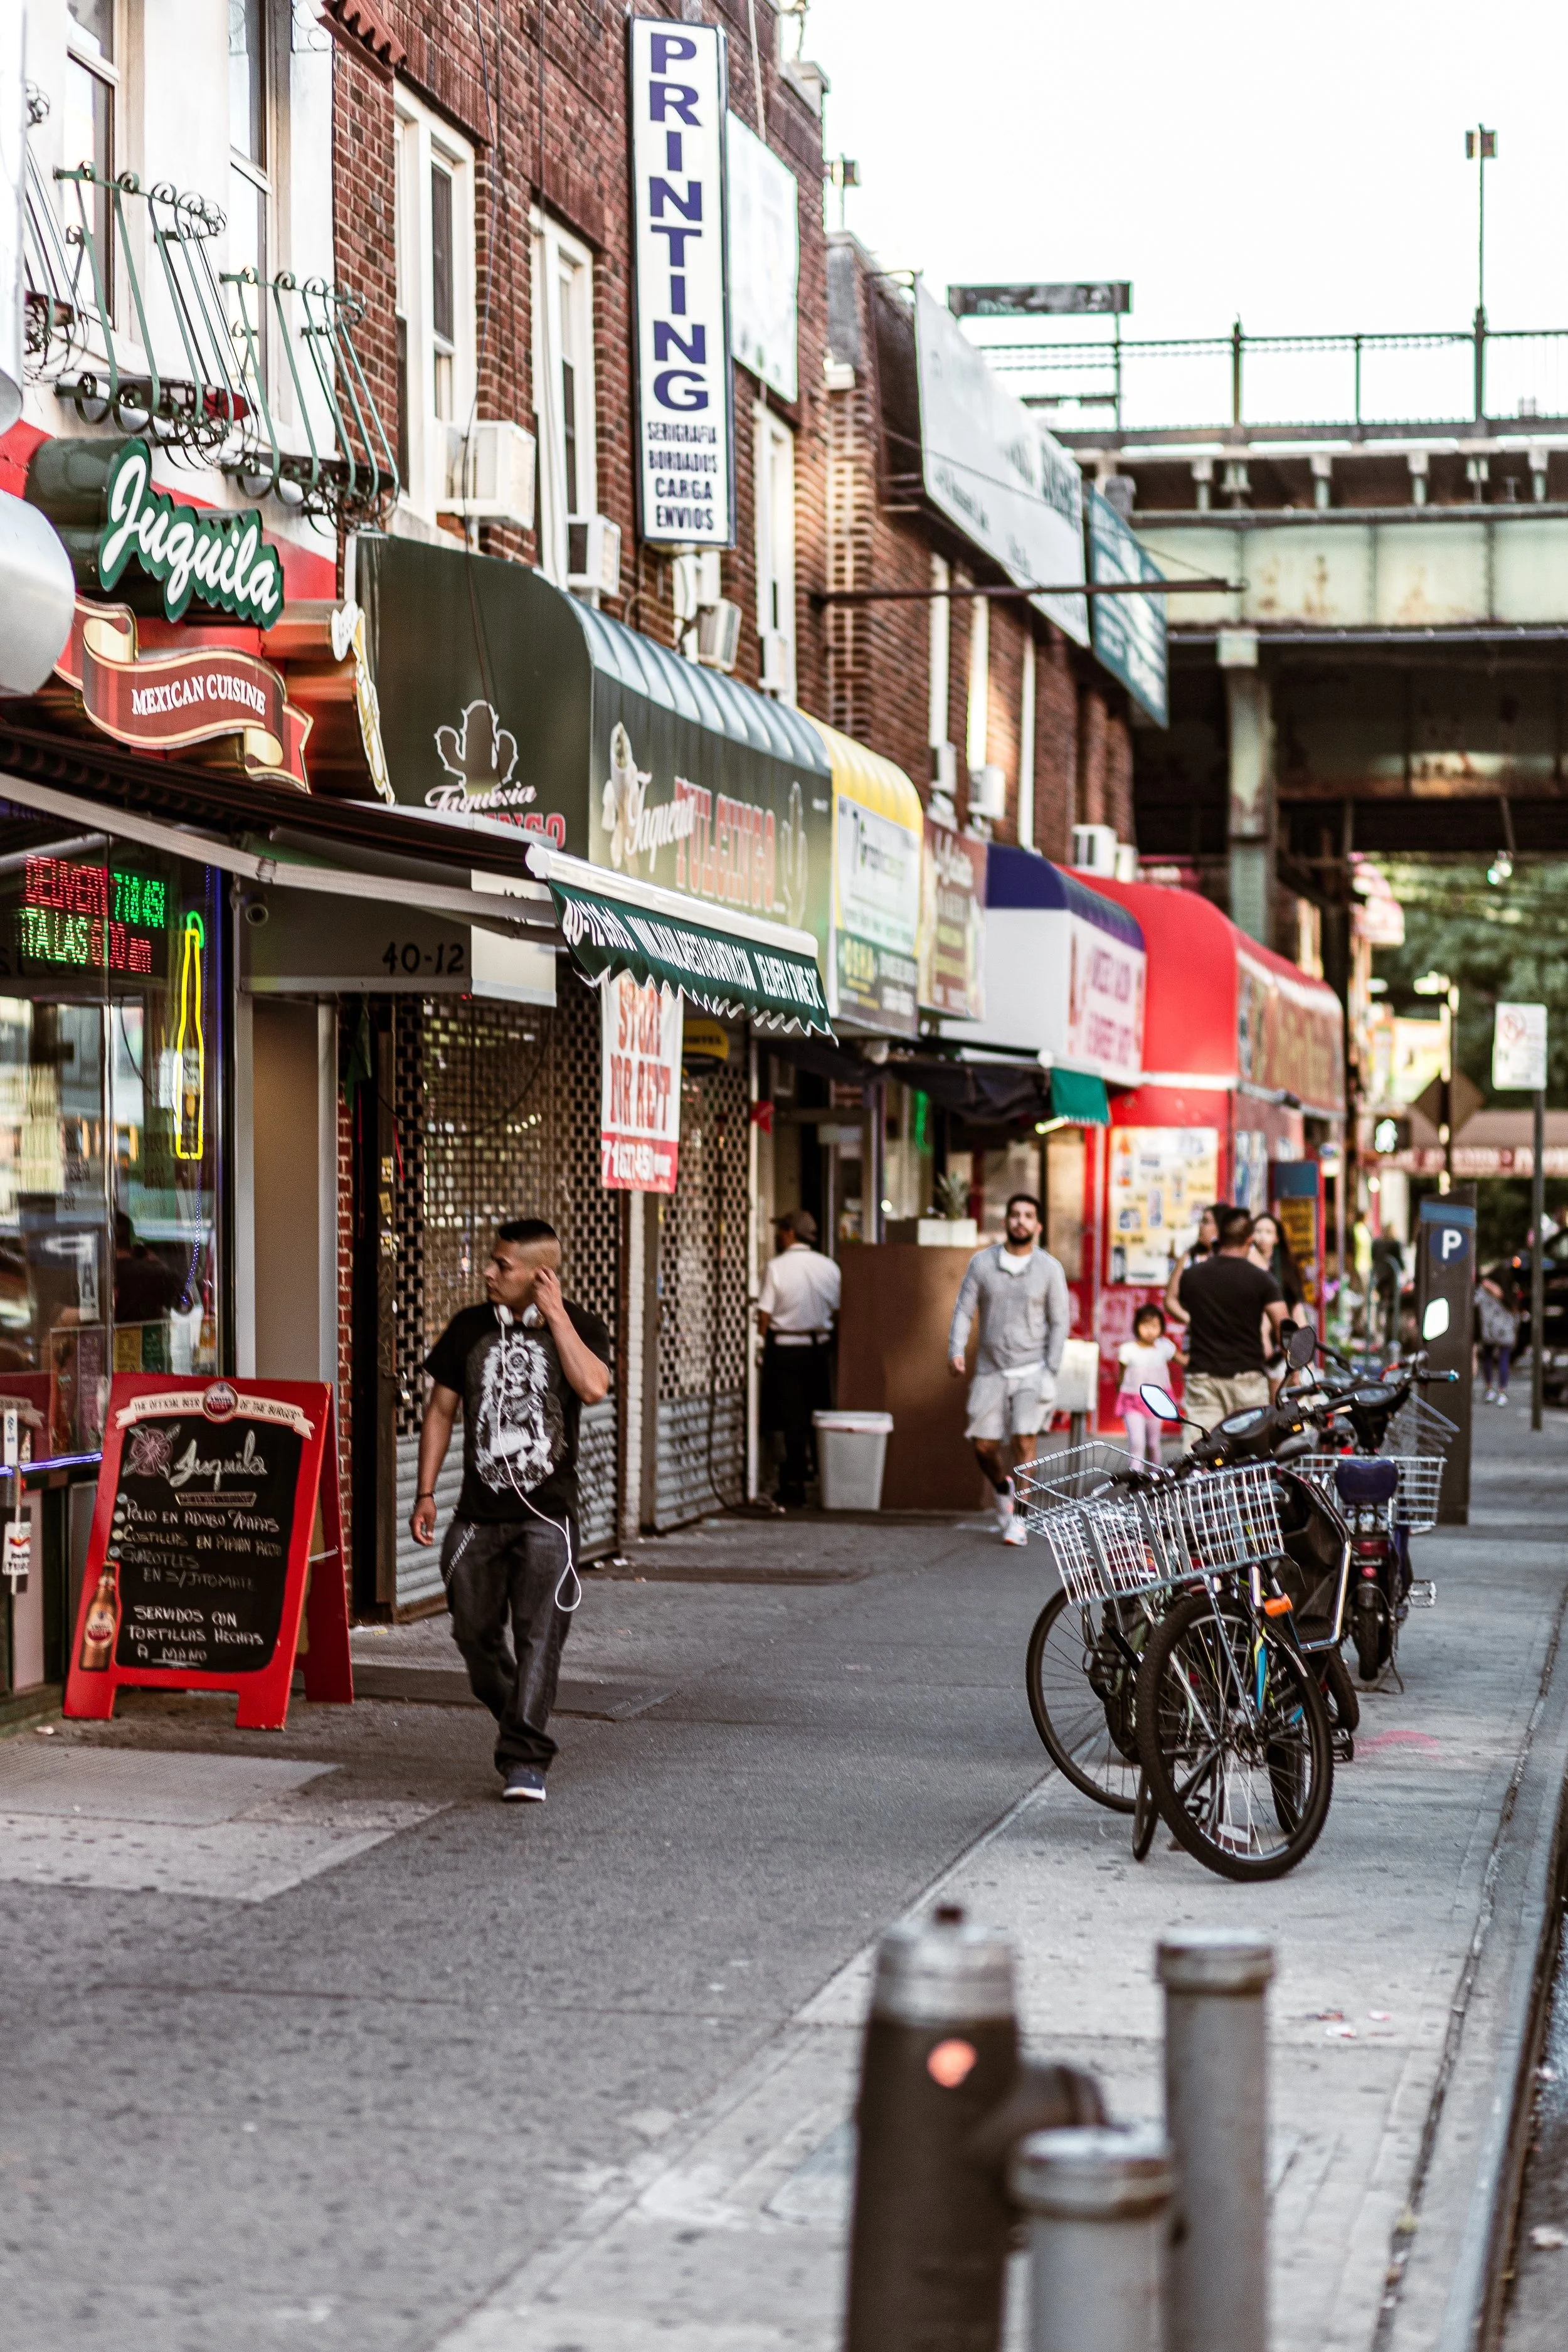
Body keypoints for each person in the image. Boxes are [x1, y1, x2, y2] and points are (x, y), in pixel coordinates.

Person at [410, 1217, 611, 1804]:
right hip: (477, 1515)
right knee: (473, 1636)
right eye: (491, 1262)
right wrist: (425, 1492)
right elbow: (441, 1411)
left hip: (548, 1517)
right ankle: (516, 1712)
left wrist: (556, 1317)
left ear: (540, 1275)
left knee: (539, 1637)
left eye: (503, 1266)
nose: (489, 1273)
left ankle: (525, 1758)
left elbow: (593, 1387)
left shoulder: (580, 1327)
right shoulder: (471, 1328)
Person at [948, 1192, 1071, 1547]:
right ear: (1005, 1222)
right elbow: (963, 1309)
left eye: (1028, 1216)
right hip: (991, 1369)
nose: (1021, 1221)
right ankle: (1003, 1488)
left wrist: (1051, 1368)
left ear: (1038, 1225)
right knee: (983, 1446)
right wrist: (956, 1350)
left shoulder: (1049, 1268)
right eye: (1015, 1215)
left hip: (1033, 1369)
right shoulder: (982, 1264)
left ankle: (1020, 1517)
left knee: (1024, 1440)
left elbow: (1060, 1322)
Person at [1177, 1205, 1290, 1433]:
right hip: (1248, 1380)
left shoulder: (1192, 1277)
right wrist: (1293, 1368)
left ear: (1220, 1238)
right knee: (1248, 1458)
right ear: (1250, 1240)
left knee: (1200, 1453)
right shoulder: (1262, 1280)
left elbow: (1177, 1304)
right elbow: (1284, 1327)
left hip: (1203, 1378)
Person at [756, 1209, 842, 1507]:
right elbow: (836, 1309)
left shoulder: (776, 1267)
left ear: (790, 1233)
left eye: (781, 1230)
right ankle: (824, 1478)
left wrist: (760, 1345)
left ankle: (793, 1484)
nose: (778, 1236)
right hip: (819, 1348)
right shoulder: (830, 1267)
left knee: (790, 1417)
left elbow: (764, 1314)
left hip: (786, 1349)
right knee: (818, 1411)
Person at [1117, 1303, 1176, 1466]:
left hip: (1156, 1402)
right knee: (1137, 1443)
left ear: (1161, 1328)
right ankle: (1136, 1480)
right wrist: (1121, 1398)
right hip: (1132, 1402)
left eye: (1155, 1326)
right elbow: (1120, 1377)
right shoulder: (1127, 1350)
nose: (1150, 1330)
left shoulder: (1165, 1348)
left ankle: (1154, 1478)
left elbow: (1184, 1360)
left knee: (1153, 1444)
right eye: (1145, 1325)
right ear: (1136, 1326)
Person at [1163, 1203, 1226, 1330]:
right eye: (1201, 1221)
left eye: (1206, 1222)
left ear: (1221, 1226)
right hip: (1197, 1336)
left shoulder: (1235, 1258)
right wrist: (1192, 1320)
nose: (1201, 1226)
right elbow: (1170, 1300)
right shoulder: (1189, 1258)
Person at [1476, 1270, 1518, 1406]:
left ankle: (1489, 1389)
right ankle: (1502, 1392)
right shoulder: (1508, 1291)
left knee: (1488, 1358)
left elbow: (1474, 1302)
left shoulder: (1484, 1291)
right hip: (1505, 1330)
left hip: (1489, 1330)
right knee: (1503, 1359)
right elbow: (1515, 1308)